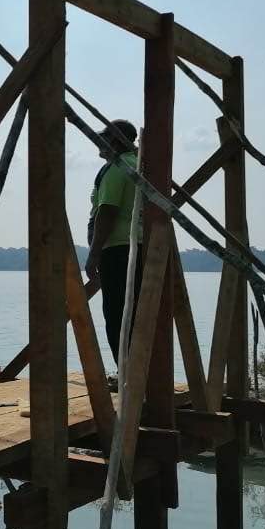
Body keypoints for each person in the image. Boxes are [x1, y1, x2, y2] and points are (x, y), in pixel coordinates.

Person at [84, 118, 143, 364]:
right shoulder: (136, 165)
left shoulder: (118, 168)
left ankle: (128, 375)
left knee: (117, 316)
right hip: (136, 248)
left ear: (116, 140)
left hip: (118, 251)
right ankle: (137, 376)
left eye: (104, 137)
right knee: (134, 315)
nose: (100, 142)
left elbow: (107, 212)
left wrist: (94, 254)